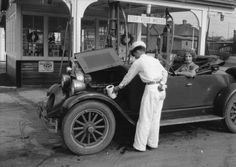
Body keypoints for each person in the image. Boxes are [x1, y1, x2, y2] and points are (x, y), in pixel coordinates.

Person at [113, 41, 168, 152]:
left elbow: (128, 77)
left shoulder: (139, 62)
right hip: (161, 90)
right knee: (155, 118)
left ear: (137, 51)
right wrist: (162, 84)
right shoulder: (155, 60)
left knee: (144, 118)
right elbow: (165, 73)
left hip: (151, 89)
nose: (134, 56)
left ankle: (139, 146)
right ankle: (152, 144)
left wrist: (117, 88)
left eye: (134, 54)